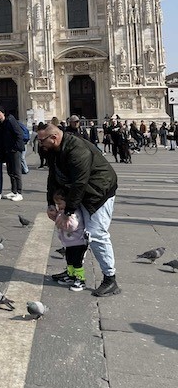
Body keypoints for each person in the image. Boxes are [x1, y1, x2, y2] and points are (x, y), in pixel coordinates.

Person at [37, 123, 120, 297]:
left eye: (42, 140)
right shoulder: (53, 150)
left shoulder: (77, 150)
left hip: (98, 192)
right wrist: (50, 203)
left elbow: (80, 182)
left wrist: (68, 211)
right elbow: (53, 176)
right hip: (78, 192)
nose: (40, 144)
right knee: (74, 234)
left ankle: (110, 279)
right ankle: (73, 272)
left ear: (54, 138)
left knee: (96, 234)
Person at [47, 189, 89, 292]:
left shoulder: (73, 212)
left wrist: (61, 217)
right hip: (70, 243)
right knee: (69, 260)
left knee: (77, 262)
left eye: (60, 204)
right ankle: (71, 276)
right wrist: (56, 216)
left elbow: (72, 226)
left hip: (79, 243)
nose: (58, 206)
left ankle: (80, 279)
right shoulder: (63, 212)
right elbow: (61, 222)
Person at [0, 106, 25, 201]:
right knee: (10, 171)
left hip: (14, 150)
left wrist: (16, 148)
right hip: (8, 150)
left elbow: (19, 134)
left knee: (16, 171)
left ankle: (19, 193)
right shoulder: (2, 123)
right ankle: (14, 191)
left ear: (3, 113)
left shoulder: (10, 120)